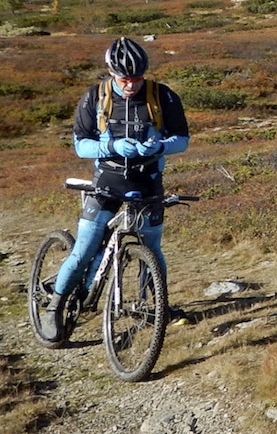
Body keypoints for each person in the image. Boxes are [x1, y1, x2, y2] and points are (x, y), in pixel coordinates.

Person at [39, 37, 190, 343]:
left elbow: (183, 138)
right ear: (111, 72)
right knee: (83, 251)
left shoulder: (163, 97)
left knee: (153, 249)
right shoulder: (95, 96)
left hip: (147, 182)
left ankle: (157, 305)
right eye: (124, 79)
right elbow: (81, 144)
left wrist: (161, 145)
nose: (131, 85)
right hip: (106, 183)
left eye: (137, 78)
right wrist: (110, 146)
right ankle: (54, 305)